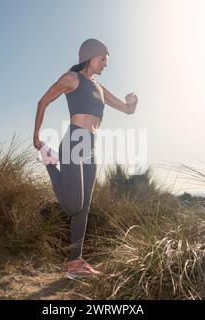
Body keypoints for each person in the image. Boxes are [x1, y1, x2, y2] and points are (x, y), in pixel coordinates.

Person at [33, 38, 138, 279]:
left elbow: (126, 109)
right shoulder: (72, 79)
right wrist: (36, 135)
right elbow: (43, 101)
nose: (105, 65)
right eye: (103, 59)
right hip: (74, 141)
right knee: (74, 205)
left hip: (92, 147)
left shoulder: (100, 88)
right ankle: (51, 164)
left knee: (84, 208)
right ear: (90, 56)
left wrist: (133, 103)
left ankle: (75, 264)